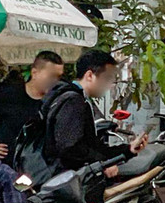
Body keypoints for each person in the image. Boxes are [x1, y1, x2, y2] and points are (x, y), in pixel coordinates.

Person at [42, 49, 147, 177]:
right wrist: (100, 163)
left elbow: (92, 147)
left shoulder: (74, 98)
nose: (110, 85)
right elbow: (70, 148)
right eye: (107, 78)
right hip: (66, 184)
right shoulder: (73, 101)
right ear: (90, 75)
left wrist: (128, 150)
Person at [0, 51, 66, 157]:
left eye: (59, 77)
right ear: (34, 73)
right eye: (51, 76)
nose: (55, 81)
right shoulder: (9, 94)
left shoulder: (57, 100)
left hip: (40, 168)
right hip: (7, 165)